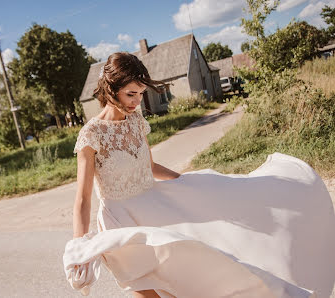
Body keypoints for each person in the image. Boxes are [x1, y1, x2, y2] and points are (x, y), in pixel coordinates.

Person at [63, 52, 335, 298]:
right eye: (131, 94)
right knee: (144, 290)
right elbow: (83, 199)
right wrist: (80, 248)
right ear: (112, 90)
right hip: (120, 222)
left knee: (187, 279)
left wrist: (189, 184)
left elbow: (149, 166)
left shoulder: (136, 121)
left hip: (154, 208)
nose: (137, 102)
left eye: (141, 94)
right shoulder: (91, 134)